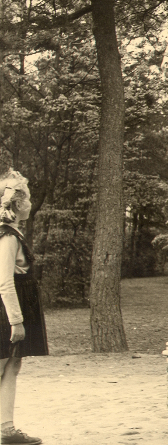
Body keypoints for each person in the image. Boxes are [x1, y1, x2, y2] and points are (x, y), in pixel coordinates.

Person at [0, 169, 47, 445]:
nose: (29, 202)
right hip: (6, 311)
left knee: (11, 367)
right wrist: (16, 321)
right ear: (18, 203)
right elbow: (5, 281)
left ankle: (6, 429)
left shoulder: (12, 233)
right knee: (4, 366)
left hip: (13, 309)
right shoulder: (6, 236)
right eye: (27, 197)